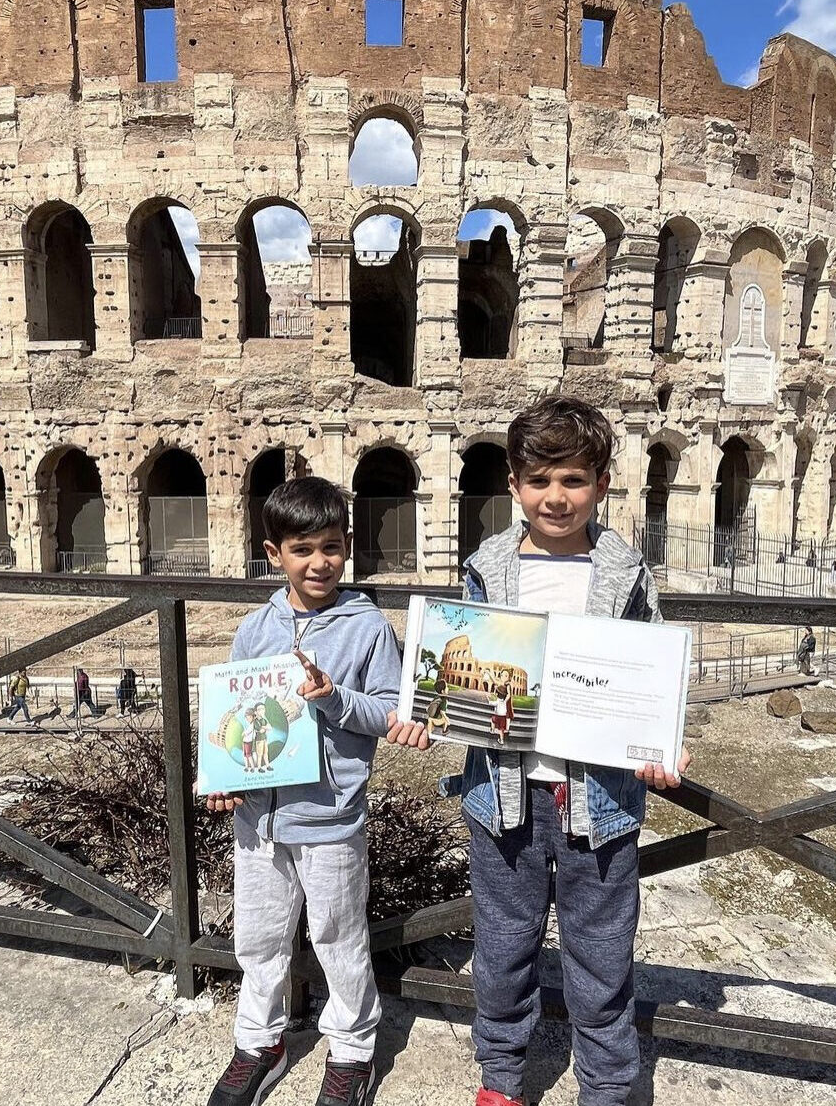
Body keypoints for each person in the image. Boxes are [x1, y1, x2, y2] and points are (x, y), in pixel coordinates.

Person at [438, 394, 691, 1106]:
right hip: (502, 798)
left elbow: (653, 670)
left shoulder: (624, 570)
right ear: (514, 485)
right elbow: (461, 666)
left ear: (601, 484)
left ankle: (607, 1087)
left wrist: (661, 740)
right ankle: (502, 1078)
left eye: (573, 479)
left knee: (602, 958)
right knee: (500, 951)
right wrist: (433, 706)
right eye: (540, 480)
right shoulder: (486, 565)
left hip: (599, 801)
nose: (556, 496)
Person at [204, 476, 424, 1106]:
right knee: (258, 937)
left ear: (347, 547)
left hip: (330, 816)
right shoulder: (255, 628)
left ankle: (352, 1050)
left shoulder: (367, 629)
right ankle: (258, 1040)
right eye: (303, 549)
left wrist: (333, 698)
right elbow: (232, 714)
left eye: (331, 546)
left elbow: (390, 712)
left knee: (337, 936)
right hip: (259, 821)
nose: (319, 562)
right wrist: (223, 781)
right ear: (275, 554)